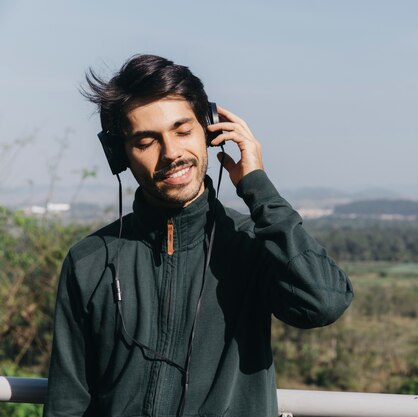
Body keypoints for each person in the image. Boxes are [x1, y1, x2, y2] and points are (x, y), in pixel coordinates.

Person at [43, 54, 353, 417]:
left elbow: (323, 303)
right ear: (119, 154)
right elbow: (67, 402)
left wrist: (258, 187)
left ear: (209, 131)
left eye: (183, 130)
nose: (172, 153)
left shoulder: (254, 243)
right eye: (146, 141)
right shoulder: (90, 261)